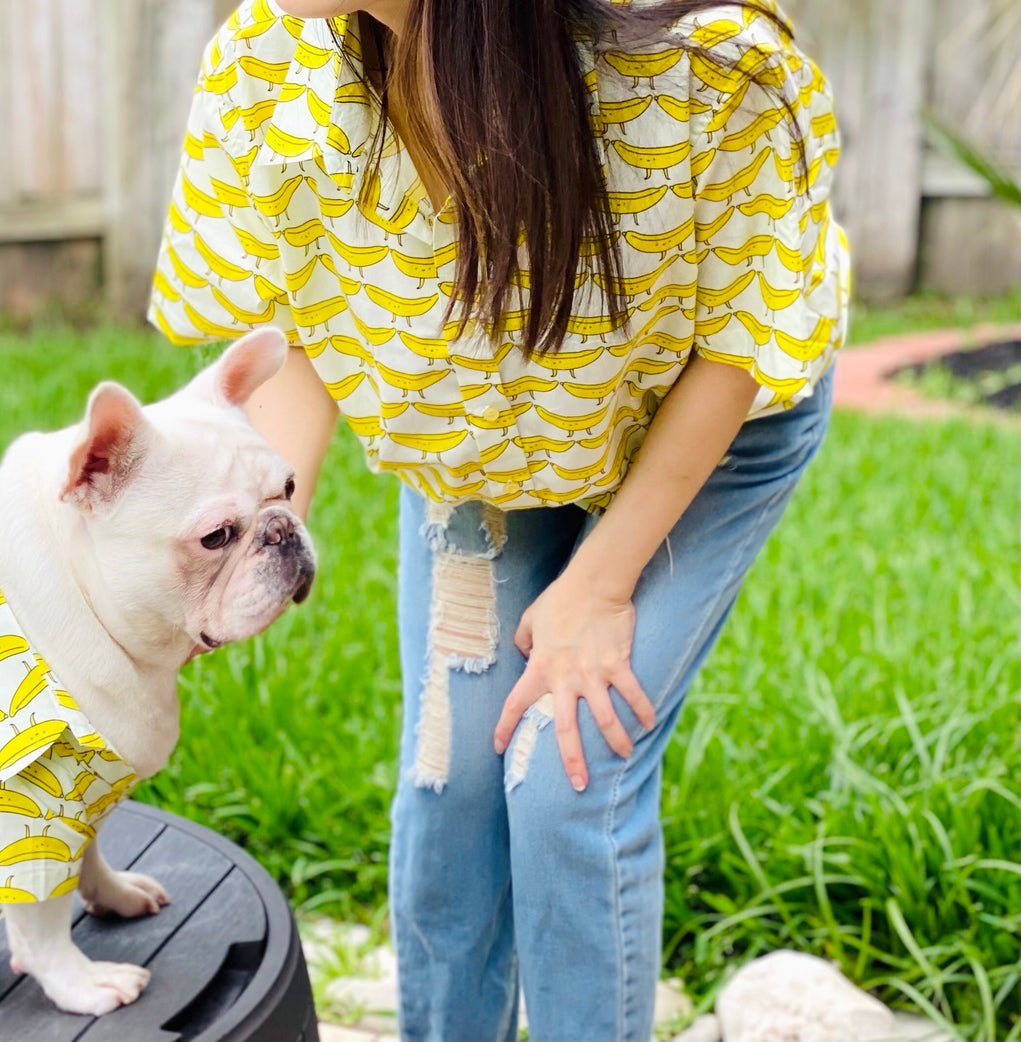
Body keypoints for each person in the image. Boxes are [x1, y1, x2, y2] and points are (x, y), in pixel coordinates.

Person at [149, 0, 847, 1038]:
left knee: (567, 770)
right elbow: (301, 330)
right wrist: (241, 542)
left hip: (702, 429)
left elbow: (740, 343)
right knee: (450, 785)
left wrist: (600, 583)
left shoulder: (699, 64)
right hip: (485, 443)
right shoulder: (271, 64)